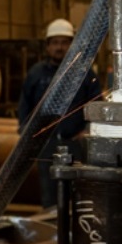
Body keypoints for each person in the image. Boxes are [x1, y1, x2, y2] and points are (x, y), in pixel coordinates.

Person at [16, 18, 103, 209]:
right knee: (49, 195)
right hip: (46, 145)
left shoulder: (85, 73)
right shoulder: (36, 74)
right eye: (55, 42)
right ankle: (54, 231)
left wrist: (88, 130)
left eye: (64, 42)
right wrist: (26, 134)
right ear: (47, 46)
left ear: (72, 44)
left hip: (76, 145)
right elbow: (24, 106)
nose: (59, 47)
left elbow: (97, 104)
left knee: (79, 194)